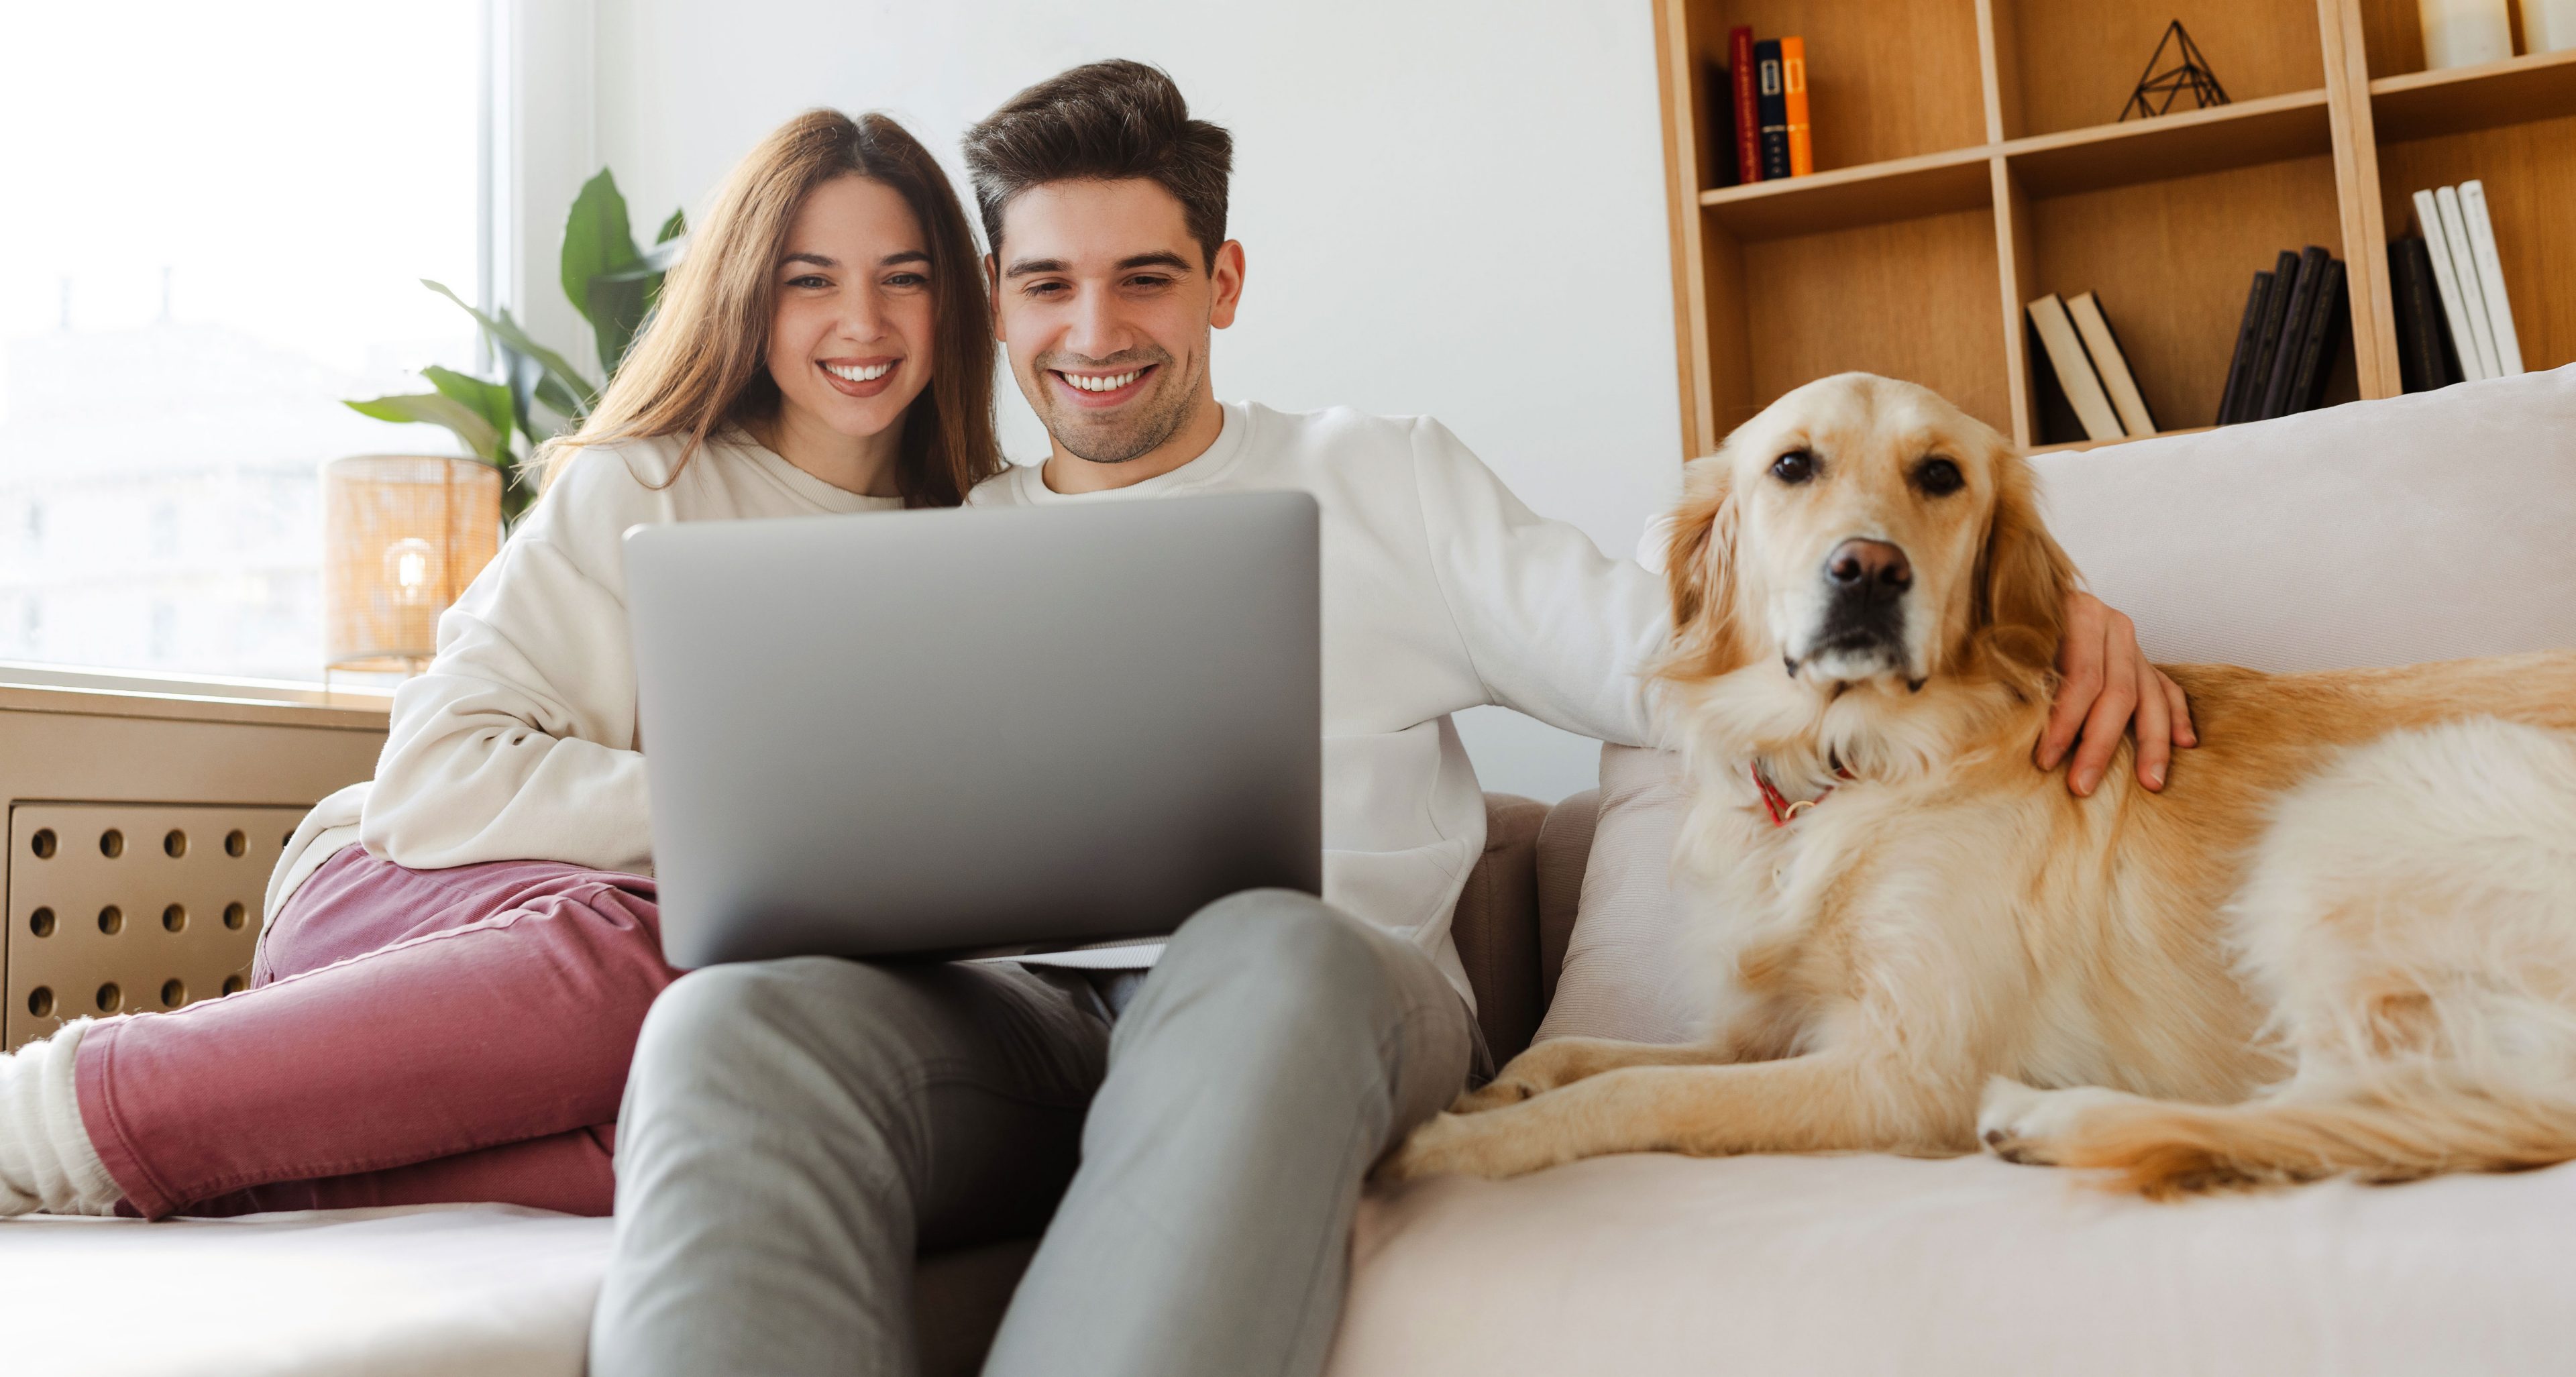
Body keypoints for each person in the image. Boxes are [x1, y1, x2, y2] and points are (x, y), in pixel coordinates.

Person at [588, 61, 2195, 1377]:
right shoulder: (948, 539)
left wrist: (2032, 617)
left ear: (1222, 283)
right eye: (1048, 286)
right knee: (727, 1022)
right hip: (1035, 1029)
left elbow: (1695, 654)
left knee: (1259, 941)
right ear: (996, 305)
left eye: (1146, 277)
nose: (1095, 332)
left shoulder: (1380, 478)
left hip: (1321, 999)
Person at [0, 108, 1001, 1220]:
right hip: (401, 886)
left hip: (695, 966)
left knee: (738, 1115)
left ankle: (243, 1165)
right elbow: (430, 778)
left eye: (904, 278)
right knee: (665, 958)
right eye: (811, 280)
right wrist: (754, 822)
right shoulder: (645, 484)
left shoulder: (979, 540)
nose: (862, 320)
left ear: (955, 301)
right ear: (749, 296)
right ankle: (50, 1117)